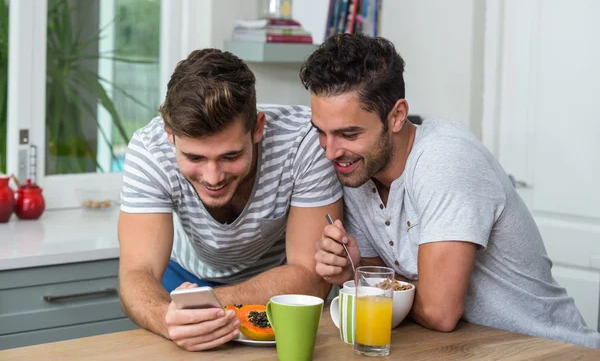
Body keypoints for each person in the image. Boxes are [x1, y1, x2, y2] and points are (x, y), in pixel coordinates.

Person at [303, 34, 600, 349]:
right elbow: (385, 284)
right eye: (321, 132)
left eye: (349, 134)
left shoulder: (444, 159)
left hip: (553, 350)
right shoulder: (358, 170)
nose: (330, 152)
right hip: (470, 350)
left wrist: (365, 284)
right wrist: (353, 270)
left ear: (396, 116)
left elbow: (438, 312)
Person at [118, 48, 343, 351]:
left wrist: (202, 304)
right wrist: (164, 315)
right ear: (170, 135)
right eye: (194, 157)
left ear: (258, 128)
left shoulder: (304, 141)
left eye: (230, 156)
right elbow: (136, 271)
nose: (213, 177)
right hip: (184, 280)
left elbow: (309, 274)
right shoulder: (149, 151)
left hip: (277, 283)